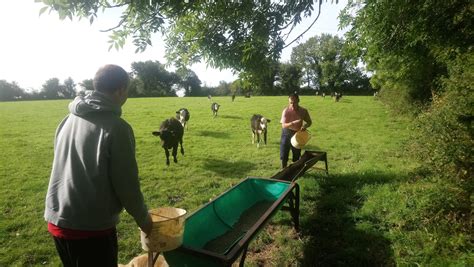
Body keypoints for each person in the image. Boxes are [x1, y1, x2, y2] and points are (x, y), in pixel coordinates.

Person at [44, 64, 153, 267]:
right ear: (121, 90)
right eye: (127, 90)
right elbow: (126, 185)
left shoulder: (68, 119)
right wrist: (145, 221)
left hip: (57, 219)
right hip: (90, 229)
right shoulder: (117, 128)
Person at [280, 92, 312, 168]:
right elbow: (283, 125)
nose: (292, 105)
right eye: (290, 103)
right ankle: (283, 170)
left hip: (297, 134)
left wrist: (305, 126)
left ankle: (295, 170)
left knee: (296, 155)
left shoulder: (303, 111)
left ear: (298, 101)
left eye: (294, 103)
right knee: (284, 153)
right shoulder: (286, 111)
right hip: (286, 133)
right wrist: (292, 123)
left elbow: (309, 122)